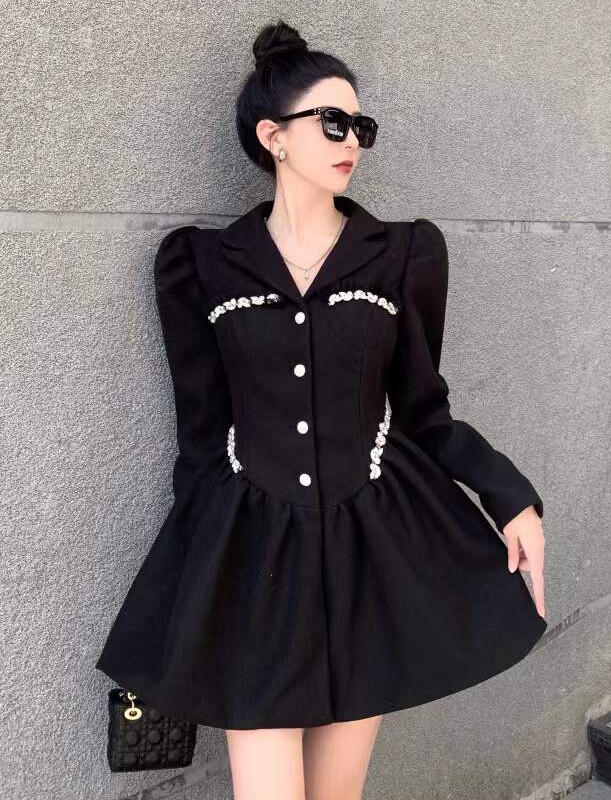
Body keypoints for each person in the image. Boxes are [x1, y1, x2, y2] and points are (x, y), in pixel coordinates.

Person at [95, 19, 547, 800]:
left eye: (361, 127)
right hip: (252, 560)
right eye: (333, 122)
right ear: (273, 137)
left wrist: (510, 497)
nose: (352, 142)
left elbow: (425, 411)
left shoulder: (400, 255)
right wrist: (191, 583)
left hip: (366, 556)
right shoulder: (203, 265)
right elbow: (200, 436)